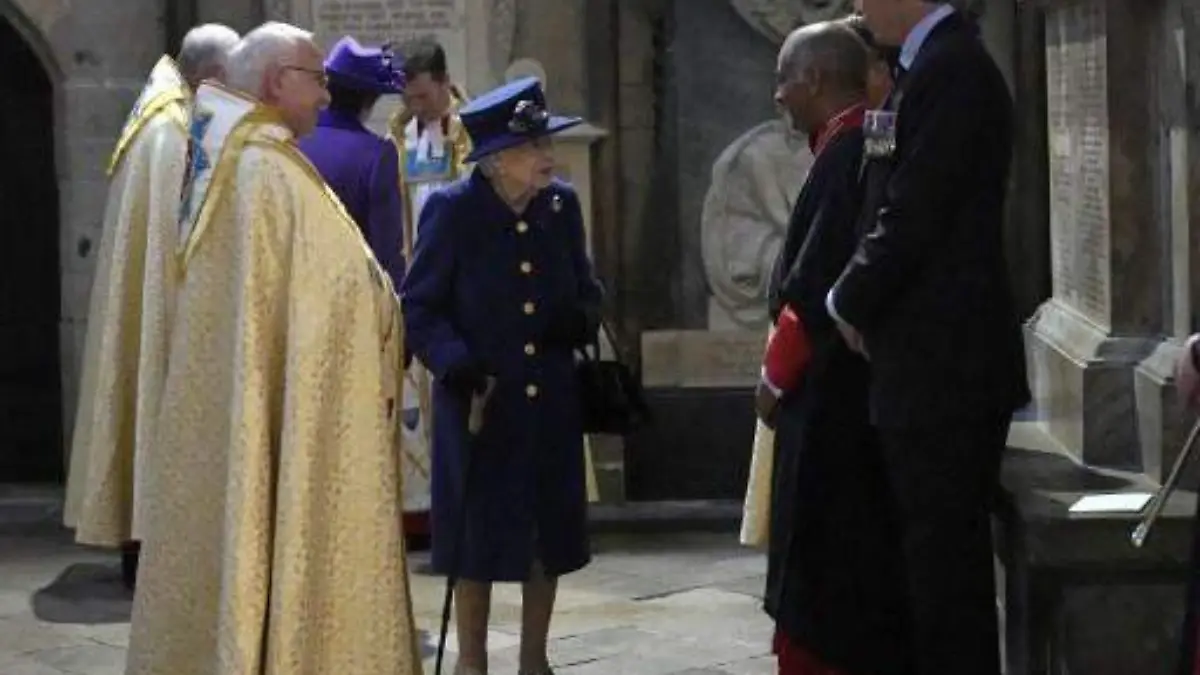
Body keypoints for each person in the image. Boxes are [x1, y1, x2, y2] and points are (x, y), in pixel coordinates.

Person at [123, 22, 420, 675]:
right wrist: (387, 311)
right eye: (314, 78)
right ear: (276, 80)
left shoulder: (241, 162)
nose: (323, 94)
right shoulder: (264, 173)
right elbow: (332, 292)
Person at [828, 2, 1029, 673]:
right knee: (930, 569)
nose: (856, 3)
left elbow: (915, 209)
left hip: (948, 369)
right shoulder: (930, 66)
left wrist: (847, 298)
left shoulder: (956, 71)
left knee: (948, 581)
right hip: (923, 363)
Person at [401, 76, 602, 675]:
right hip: (480, 400)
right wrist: (458, 364)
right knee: (477, 538)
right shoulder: (454, 210)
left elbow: (588, 287)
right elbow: (421, 305)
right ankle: (472, 662)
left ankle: (535, 660)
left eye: (546, 143)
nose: (547, 157)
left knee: (548, 532)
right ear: (493, 161)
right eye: (532, 147)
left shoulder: (561, 206)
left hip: (550, 398)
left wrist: (581, 316)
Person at [755, 21, 912, 675]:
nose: (778, 96)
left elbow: (812, 290)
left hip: (830, 400)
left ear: (814, 79)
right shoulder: (852, 142)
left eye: (784, 80)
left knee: (822, 570)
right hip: (840, 393)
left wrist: (774, 378)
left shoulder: (849, 151)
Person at [62, 22, 239, 590]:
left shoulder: (165, 115)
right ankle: (158, 560)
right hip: (171, 314)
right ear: (211, 77)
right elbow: (179, 245)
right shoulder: (171, 133)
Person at [387, 38, 473, 550]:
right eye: (409, 98)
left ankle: (463, 507)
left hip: (458, 283)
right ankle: (423, 511)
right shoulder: (400, 135)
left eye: (423, 96)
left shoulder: (468, 131)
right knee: (416, 407)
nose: (415, 107)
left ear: (444, 83)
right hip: (415, 279)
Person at [298, 36, 406, 287]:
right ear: (368, 101)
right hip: (351, 295)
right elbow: (386, 252)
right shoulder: (377, 154)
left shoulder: (289, 140)